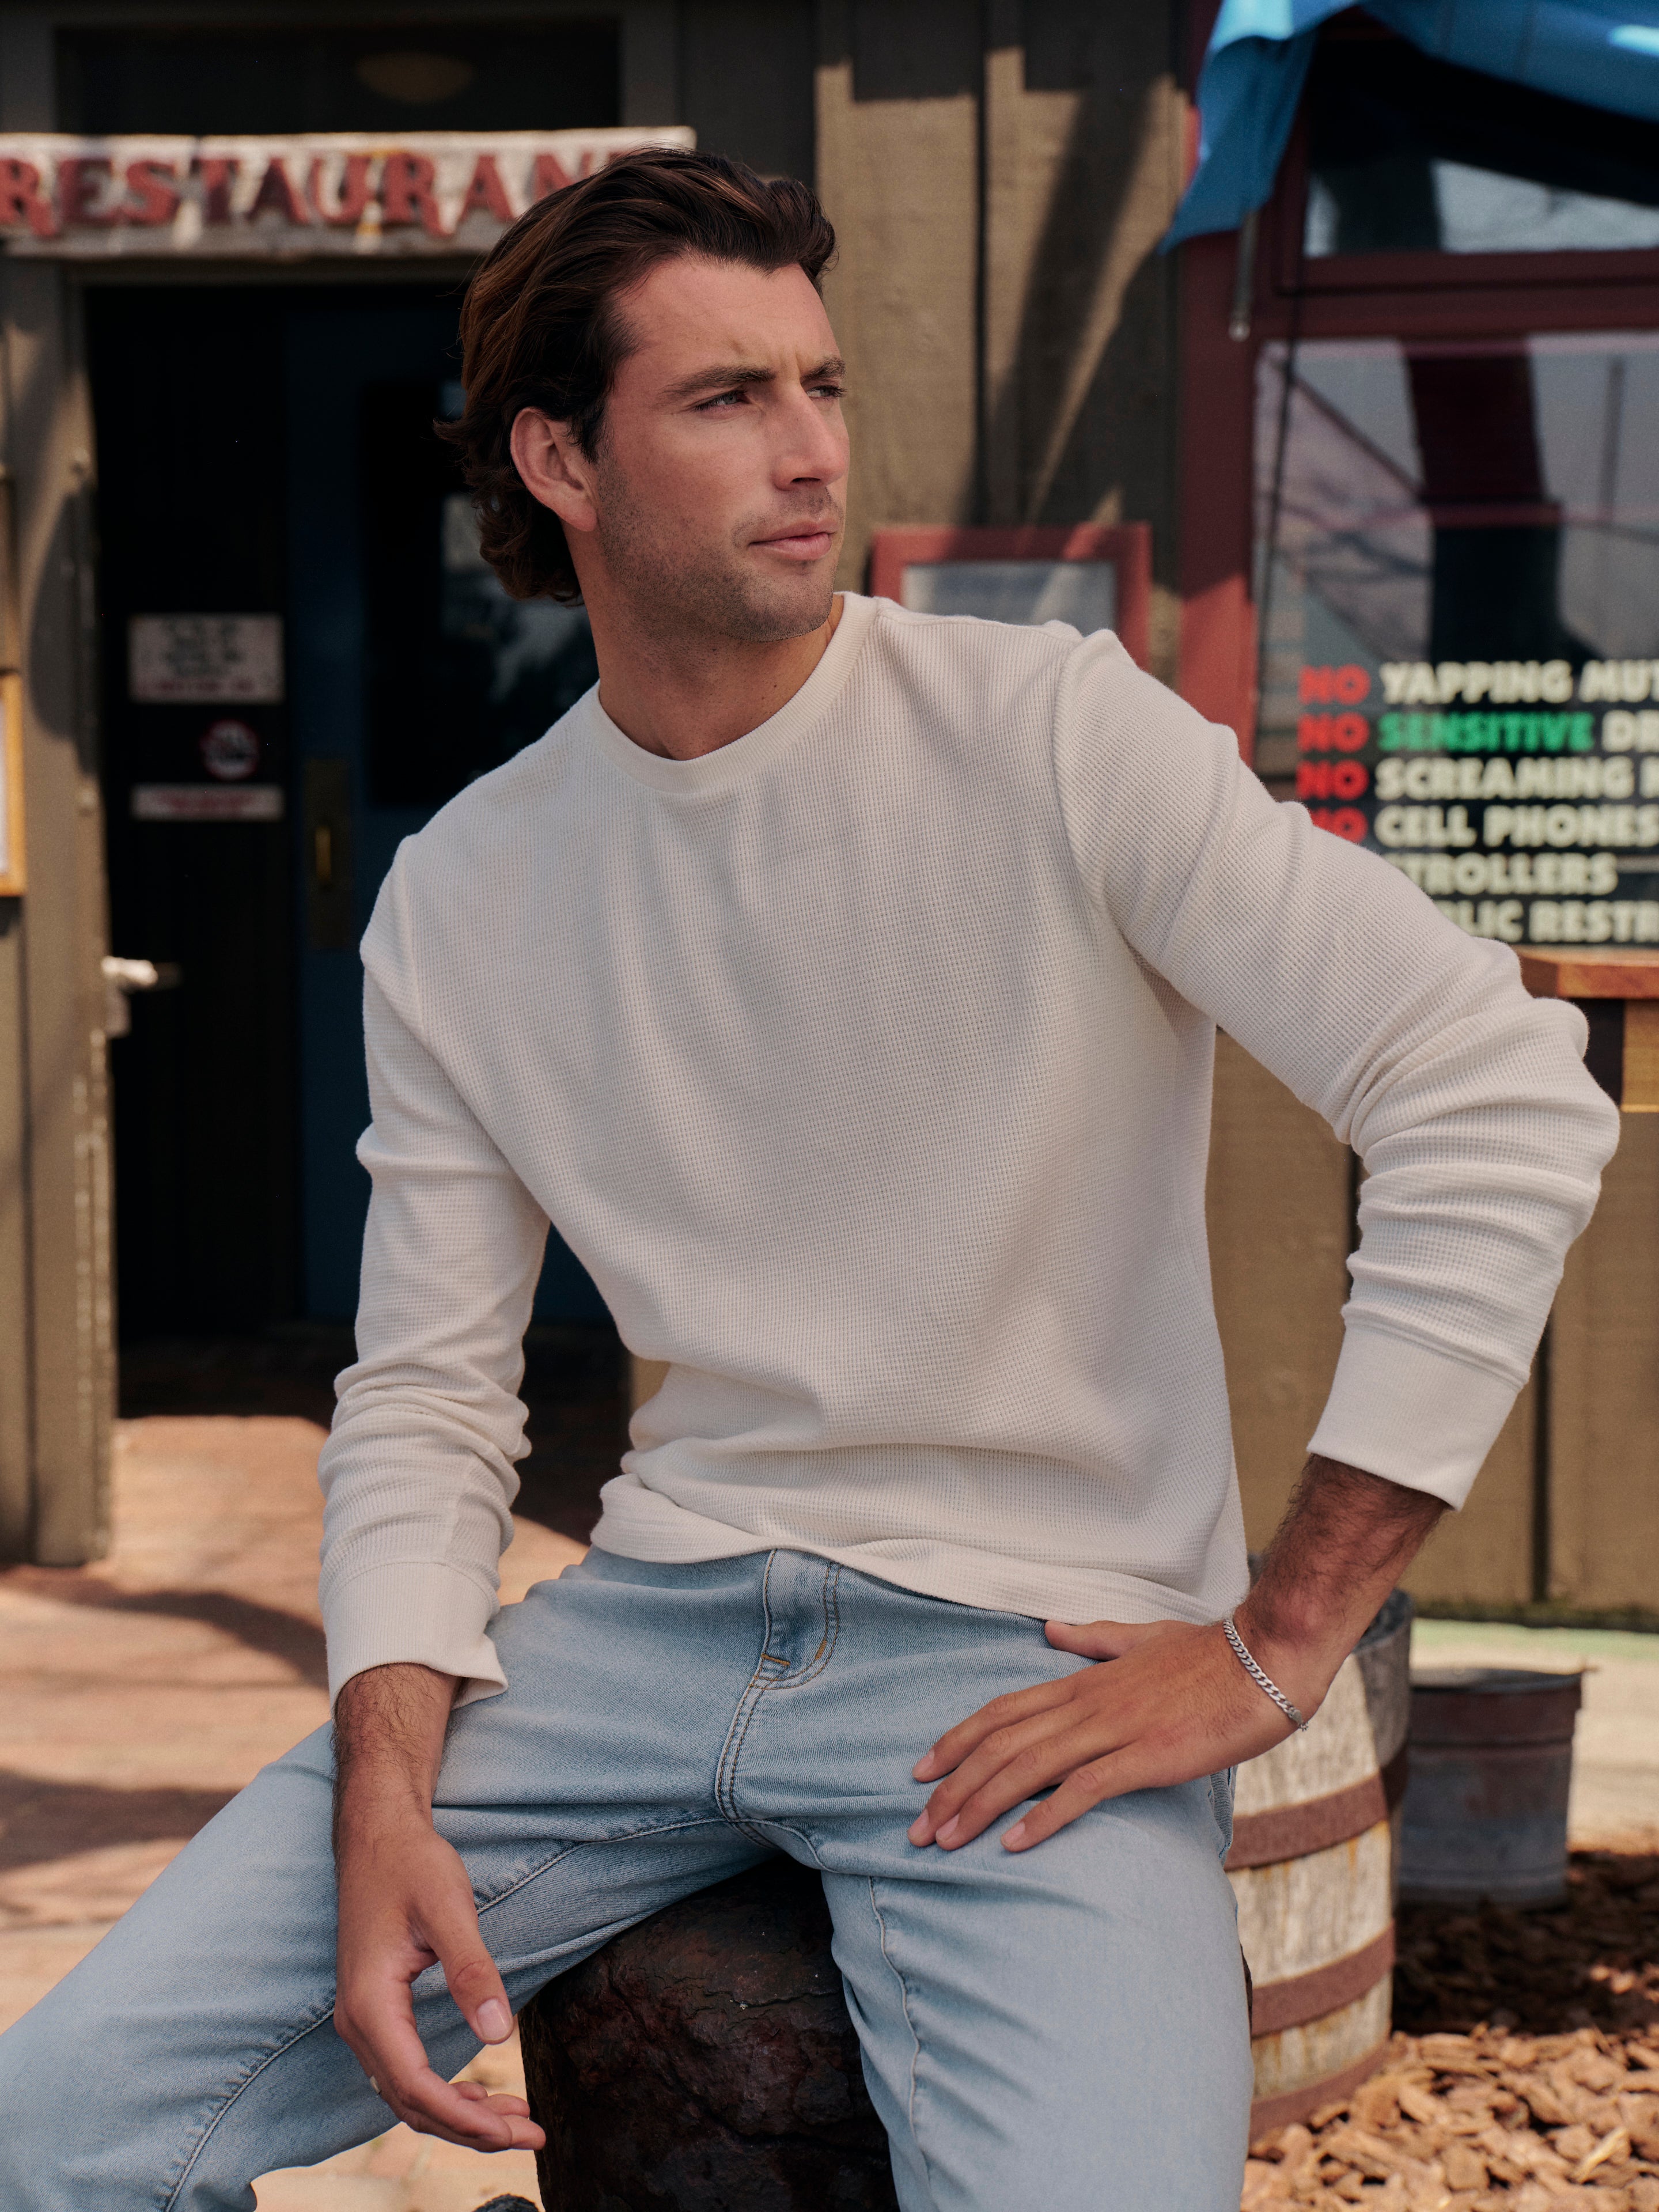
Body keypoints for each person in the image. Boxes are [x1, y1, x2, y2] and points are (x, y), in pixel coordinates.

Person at [0, 149, 1618, 2212]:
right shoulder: (467, 891)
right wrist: (384, 1787)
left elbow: (1496, 1090)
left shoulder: (1046, 736)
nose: (809, 452)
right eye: (727, 398)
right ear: (560, 460)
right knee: (49, 2140)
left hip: (1021, 1661)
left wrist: (1278, 1640)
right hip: (642, 1640)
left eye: (823, 386)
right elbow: (421, 1392)